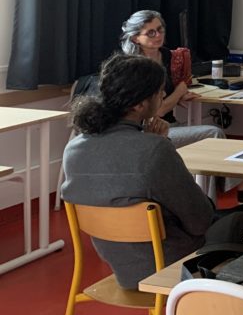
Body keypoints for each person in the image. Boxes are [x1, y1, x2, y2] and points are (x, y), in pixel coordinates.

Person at [61, 54, 215, 289]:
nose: (163, 95)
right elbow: (200, 221)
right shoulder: (154, 150)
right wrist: (158, 144)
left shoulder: (73, 148)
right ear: (139, 105)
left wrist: (149, 141)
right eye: (159, 91)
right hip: (170, 267)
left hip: (120, 266)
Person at [120, 9, 243, 202]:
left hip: (169, 123)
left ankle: (221, 196)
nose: (158, 35)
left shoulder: (169, 57)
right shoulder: (132, 66)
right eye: (150, 32)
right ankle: (237, 190)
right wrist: (179, 92)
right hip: (148, 131)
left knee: (209, 143)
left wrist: (178, 95)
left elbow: (170, 94)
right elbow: (157, 110)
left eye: (160, 29)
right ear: (135, 38)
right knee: (213, 134)